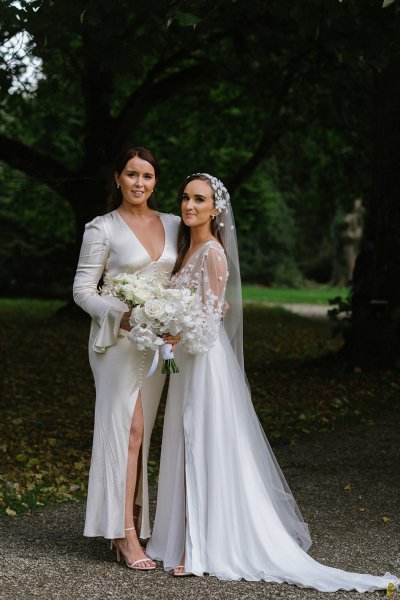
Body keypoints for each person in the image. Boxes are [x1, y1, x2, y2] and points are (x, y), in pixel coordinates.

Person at [146, 173, 398, 592]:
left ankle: (200, 547)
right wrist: (167, 322)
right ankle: (182, 538)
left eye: (199, 200)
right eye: (185, 198)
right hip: (188, 362)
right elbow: (205, 308)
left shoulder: (213, 254)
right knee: (184, 442)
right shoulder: (188, 252)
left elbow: (210, 326)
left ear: (215, 209)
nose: (189, 206)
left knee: (201, 442)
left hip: (205, 364)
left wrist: (175, 331)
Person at [73, 147, 180, 570]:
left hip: (157, 346)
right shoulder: (102, 228)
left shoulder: (173, 224)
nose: (139, 183)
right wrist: (120, 315)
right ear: (117, 178)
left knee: (141, 434)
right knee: (127, 430)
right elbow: (83, 290)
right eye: (132, 175)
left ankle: (132, 519)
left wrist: (184, 313)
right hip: (115, 342)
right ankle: (123, 535)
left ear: (156, 182)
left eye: (147, 176)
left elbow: (185, 275)